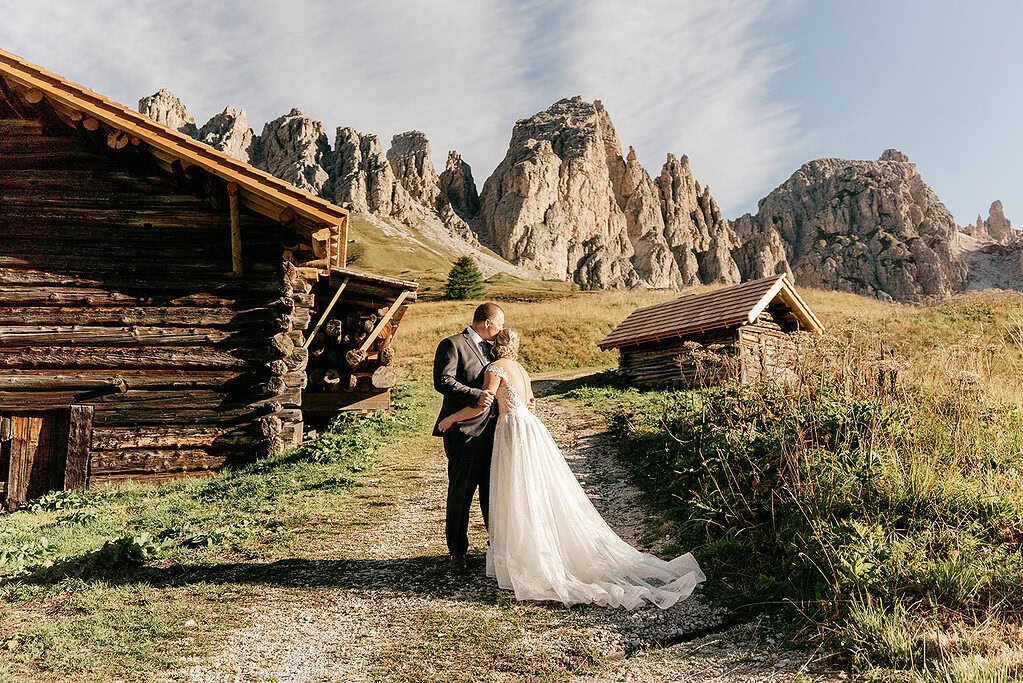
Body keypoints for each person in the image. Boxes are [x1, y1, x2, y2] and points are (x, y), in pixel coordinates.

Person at [438, 328, 705, 609]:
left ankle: (526, 555)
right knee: (534, 490)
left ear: (495, 347)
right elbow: (530, 403)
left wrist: (451, 418)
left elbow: (484, 404)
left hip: (513, 430)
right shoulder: (521, 369)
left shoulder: (495, 368)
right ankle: (532, 548)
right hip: (531, 429)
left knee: (515, 490)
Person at [432, 302, 505, 572]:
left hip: (492, 432)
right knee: (461, 493)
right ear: (487, 322)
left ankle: (494, 547)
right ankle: (457, 553)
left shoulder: (494, 350)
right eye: (499, 324)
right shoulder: (452, 344)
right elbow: (443, 381)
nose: (501, 331)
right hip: (463, 433)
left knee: (491, 493)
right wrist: (476, 395)